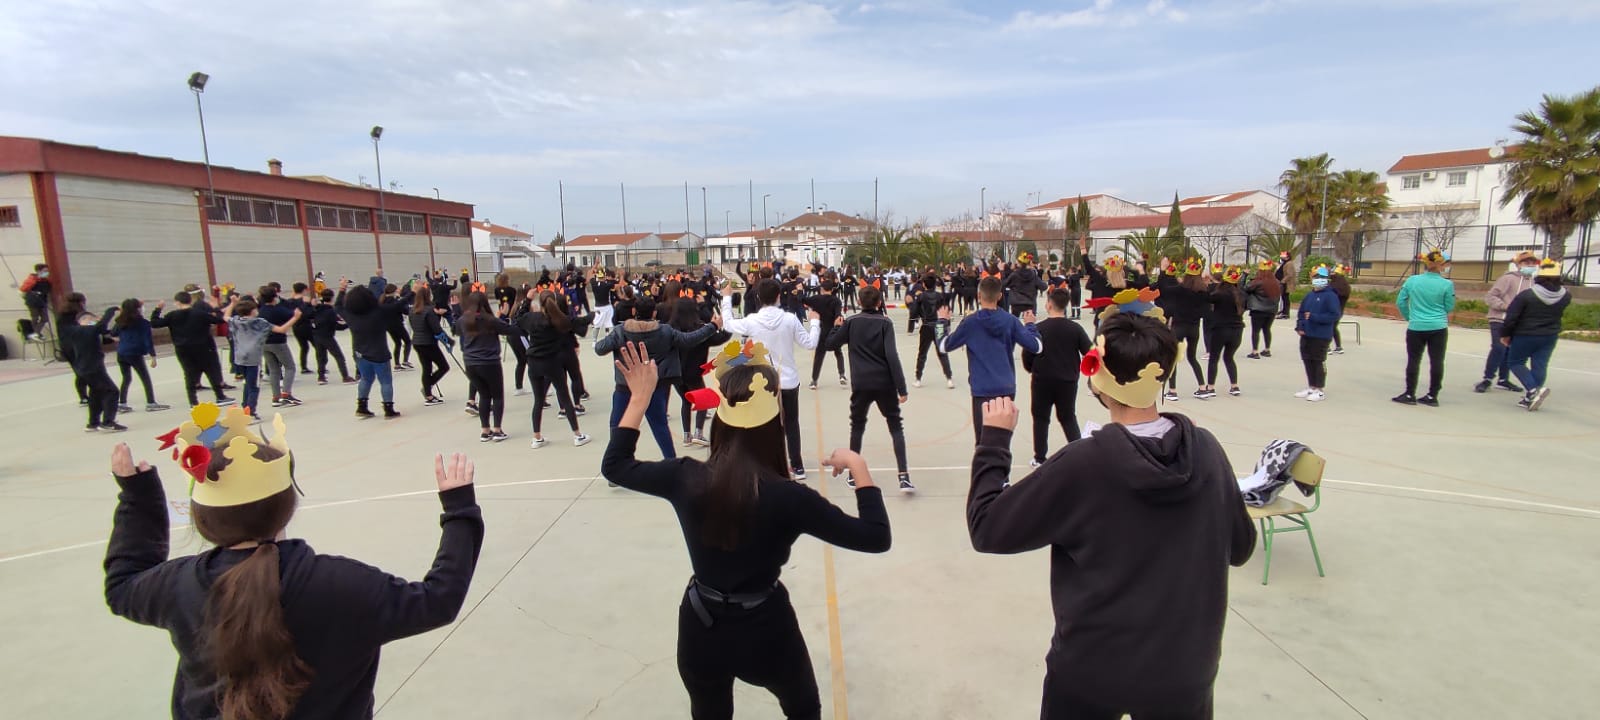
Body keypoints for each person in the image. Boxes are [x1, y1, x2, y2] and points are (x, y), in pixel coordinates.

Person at [966, 307, 1255, 720]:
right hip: (1185, 668)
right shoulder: (1205, 449)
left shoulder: (1084, 463)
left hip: (1094, 667)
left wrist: (994, 442)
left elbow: (988, 528)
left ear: (1097, 375)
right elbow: (1240, 547)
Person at [102, 408, 483, 720]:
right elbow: (437, 601)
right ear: (287, 507)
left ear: (202, 517)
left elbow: (122, 586)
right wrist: (459, 510)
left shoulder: (178, 585)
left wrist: (138, 496)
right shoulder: (340, 584)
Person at [601, 341, 891, 719]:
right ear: (775, 420)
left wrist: (640, 398)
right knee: (803, 708)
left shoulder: (685, 477)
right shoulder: (789, 498)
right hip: (765, 629)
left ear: (720, 417)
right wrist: (858, 466)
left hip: (701, 623)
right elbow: (875, 536)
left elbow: (616, 466)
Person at [596, 297, 722, 460]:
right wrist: (713, 326)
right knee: (659, 426)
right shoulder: (664, 331)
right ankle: (671, 461)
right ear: (654, 313)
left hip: (626, 386)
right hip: (655, 385)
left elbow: (600, 349)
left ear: (634, 311)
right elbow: (689, 339)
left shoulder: (621, 331)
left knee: (617, 425)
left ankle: (615, 460)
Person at [719, 279, 821, 478]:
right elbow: (810, 343)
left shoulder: (752, 321)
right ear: (778, 296)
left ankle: (767, 464)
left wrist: (726, 298)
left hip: (763, 382)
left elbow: (728, 324)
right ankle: (797, 466)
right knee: (791, 423)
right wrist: (815, 322)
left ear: (758, 297)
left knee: (764, 423)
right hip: (788, 381)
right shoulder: (790, 319)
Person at [824, 286, 914, 492]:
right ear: (879, 303)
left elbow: (830, 344)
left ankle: (853, 475)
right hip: (884, 383)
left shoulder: (851, 322)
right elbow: (892, 356)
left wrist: (836, 327)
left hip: (861, 383)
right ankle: (904, 476)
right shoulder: (885, 323)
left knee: (857, 426)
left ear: (859, 301)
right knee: (895, 426)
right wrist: (901, 388)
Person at [937, 276, 1043, 443]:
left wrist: (942, 322)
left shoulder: (970, 322)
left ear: (979, 296)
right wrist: (1030, 325)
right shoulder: (1011, 321)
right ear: (999, 296)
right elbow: (1037, 346)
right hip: (1006, 387)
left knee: (982, 441)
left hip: (982, 389)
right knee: (1002, 440)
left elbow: (943, 346)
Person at [1021, 289, 1092, 467]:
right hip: (1067, 380)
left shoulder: (1039, 328)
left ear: (1049, 305)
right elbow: (1089, 352)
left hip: (1042, 380)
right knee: (1068, 417)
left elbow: (1028, 354)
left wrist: (1031, 368)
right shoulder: (1075, 328)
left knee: (1041, 418)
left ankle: (1039, 457)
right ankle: (1080, 454)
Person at [517, 289, 591, 448]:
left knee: (538, 400)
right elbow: (579, 321)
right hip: (551, 361)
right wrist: (592, 315)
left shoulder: (532, 318)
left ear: (540, 303)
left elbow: (518, 318)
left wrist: (527, 300)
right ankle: (577, 434)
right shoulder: (559, 321)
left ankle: (536, 437)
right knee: (565, 397)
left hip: (534, 362)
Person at [1501, 258, 1570, 412]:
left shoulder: (1526, 295)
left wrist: (1505, 334)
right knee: (1540, 364)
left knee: (1516, 362)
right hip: (1550, 334)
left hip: (1525, 334)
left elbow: (1512, 317)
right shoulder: (1566, 296)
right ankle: (1530, 398)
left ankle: (1533, 390)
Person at [151, 288, 235, 407]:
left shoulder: (172, 315)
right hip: (203, 347)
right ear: (190, 301)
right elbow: (219, 320)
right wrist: (215, 308)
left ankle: (193, 401)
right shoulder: (199, 314)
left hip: (182, 348)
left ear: (177, 302)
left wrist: (158, 309)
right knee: (211, 370)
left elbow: (155, 323)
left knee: (189, 373)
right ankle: (220, 396)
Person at [1393, 249, 1456, 407]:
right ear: (1441, 265)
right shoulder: (1447, 284)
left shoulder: (1412, 281)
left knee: (1414, 360)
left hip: (1416, 326)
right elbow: (1449, 306)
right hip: (1438, 326)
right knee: (1437, 361)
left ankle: (1409, 393)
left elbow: (1400, 302)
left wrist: (1409, 316)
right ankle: (1432, 395)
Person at [336, 280, 406, 419]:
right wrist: (412, 293)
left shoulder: (349, 314)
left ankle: (362, 406)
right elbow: (397, 305)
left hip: (359, 353)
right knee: (385, 381)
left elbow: (337, 306)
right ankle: (388, 408)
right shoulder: (379, 312)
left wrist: (342, 289)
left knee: (366, 379)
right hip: (379, 352)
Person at [670, 295, 731, 448]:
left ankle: (687, 435)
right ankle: (698, 432)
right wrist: (726, 325)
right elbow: (720, 338)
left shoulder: (671, 330)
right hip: (694, 372)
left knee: (685, 401)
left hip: (677, 373)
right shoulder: (700, 330)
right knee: (703, 400)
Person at [223, 296, 300, 417]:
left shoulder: (236, 321)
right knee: (254, 387)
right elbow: (281, 329)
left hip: (240, 357)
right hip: (253, 358)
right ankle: (251, 412)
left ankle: (245, 407)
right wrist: (295, 318)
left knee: (247, 384)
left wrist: (232, 303)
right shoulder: (260, 323)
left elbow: (226, 316)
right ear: (252, 311)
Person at [60, 293, 127, 432]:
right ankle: (108, 422)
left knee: (96, 393)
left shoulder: (75, 331)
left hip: (83, 367)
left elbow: (101, 331)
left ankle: (93, 423)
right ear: (84, 320)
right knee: (111, 391)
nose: (94, 321)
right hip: (92, 367)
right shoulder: (85, 330)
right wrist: (111, 311)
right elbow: (101, 326)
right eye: (91, 319)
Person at [458, 291, 519, 441]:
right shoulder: (490, 320)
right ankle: (497, 429)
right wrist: (502, 316)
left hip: (470, 362)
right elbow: (511, 330)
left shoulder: (463, 320)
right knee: (497, 396)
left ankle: (485, 430)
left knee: (484, 395)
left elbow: (457, 332)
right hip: (489, 361)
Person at [1478, 251, 1539, 393]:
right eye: (1526, 262)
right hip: (1500, 319)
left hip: (1518, 322)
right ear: (1518, 264)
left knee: (1510, 350)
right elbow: (1490, 297)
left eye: (1532, 262)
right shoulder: (1508, 279)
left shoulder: (1534, 283)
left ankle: (1503, 379)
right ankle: (1487, 378)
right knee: (1499, 347)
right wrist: (1506, 307)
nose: (1530, 265)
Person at [1161, 259, 1211, 402]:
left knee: (1174, 358)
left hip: (1179, 326)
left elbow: (1164, 288)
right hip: (1194, 327)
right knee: (1192, 358)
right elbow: (1208, 306)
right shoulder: (1203, 291)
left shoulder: (1180, 289)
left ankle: (1172, 391)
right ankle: (1202, 387)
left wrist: (1164, 271)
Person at [112, 298, 169, 413]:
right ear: (138, 309)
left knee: (126, 378)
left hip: (121, 352)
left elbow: (113, 333)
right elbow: (148, 340)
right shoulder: (143, 323)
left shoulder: (120, 321)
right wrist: (153, 356)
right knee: (145, 378)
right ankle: (151, 402)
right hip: (135, 353)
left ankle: (122, 403)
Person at [1294, 266, 1342, 402]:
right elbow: (1301, 313)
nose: (1318, 280)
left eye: (1321, 278)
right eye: (1316, 277)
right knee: (1307, 360)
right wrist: (1300, 326)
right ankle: (1312, 386)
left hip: (1321, 335)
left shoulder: (1330, 296)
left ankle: (1320, 390)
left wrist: (1315, 317)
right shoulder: (1309, 295)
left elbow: (1334, 315)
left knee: (1318, 361)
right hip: (1307, 334)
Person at [1199, 266, 1247, 399]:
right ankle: (1234, 386)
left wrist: (1206, 284)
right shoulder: (1241, 294)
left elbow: (1206, 297)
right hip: (1237, 329)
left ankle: (1210, 387)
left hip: (1220, 329)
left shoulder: (1220, 294)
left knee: (1214, 358)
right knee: (1229, 357)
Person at [256, 286, 303, 408]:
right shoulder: (278, 310)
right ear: (275, 297)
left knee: (273, 369)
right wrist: (296, 315)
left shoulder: (260, 311)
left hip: (264, 343)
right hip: (278, 342)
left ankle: (276, 397)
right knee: (290, 367)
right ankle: (286, 394)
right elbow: (294, 314)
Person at [908, 273, 954, 389]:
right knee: (942, 352)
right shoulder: (940, 296)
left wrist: (912, 306)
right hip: (939, 326)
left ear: (924, 284)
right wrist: (947, 325)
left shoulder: (921, 297)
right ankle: (949, 378)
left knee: (922, 353)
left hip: (926, 325)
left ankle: (918, 379)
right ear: (935, 284)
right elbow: (946, 311)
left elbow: (914, 312)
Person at [409, 285, 450, 406]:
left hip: (417, 342)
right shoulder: (429, 310)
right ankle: (428, 387)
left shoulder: (412, 310)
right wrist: (448, 341)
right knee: (444, 367)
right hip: (428, 342)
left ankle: (428, 394)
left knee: (426, 368)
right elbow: (436, 329)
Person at [801, 280, 846, 390]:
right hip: (832, 331)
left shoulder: (816, 299)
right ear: (832, 289)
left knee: (819, 356)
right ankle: (842, 375)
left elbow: (803, 299)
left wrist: (799, 290)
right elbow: (838, 315)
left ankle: (814, 381)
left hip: (821, 331)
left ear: (821, 289)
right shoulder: (836, 301)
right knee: (838, 352)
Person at [310, 289, 356, 385]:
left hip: (317, 335)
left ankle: (321, 377)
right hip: (328, 336)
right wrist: (348, 324)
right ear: (332, 298)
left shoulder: (317, 309)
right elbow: (337, 325)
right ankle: (345, 377)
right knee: (339, 356)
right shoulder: (331, 311)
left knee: (321, 357)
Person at [1244, 260, 1280, 359]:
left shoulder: (1257, 282)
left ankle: (1255, 351)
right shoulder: (1276, 282)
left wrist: (1245, 276)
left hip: (1258, 309)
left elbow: (1245, 288)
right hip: (1271, 310)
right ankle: (1267, 349)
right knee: (1267, 329)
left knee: (1256, 331)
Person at [20, 262, 53, 340]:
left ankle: (36, 332)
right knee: (35, 317)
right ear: (38, 271)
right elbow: (23, 289)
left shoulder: (46, 281)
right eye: (45, 271)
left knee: (45, 318)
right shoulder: (32, 279)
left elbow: (48, 289)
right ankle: (35, 333)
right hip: (33, 302)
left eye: (47, 271)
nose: (47, 273)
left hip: (42, 302)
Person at [289, 282, 316, 374]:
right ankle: (321, 366)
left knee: (304, 347)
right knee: (317, 346)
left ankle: (304, 367)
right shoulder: (305, 301)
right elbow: (309, 314)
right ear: (304, 290)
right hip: (306, 326)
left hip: (296, 326)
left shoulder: (290, 301)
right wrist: (312, 305)